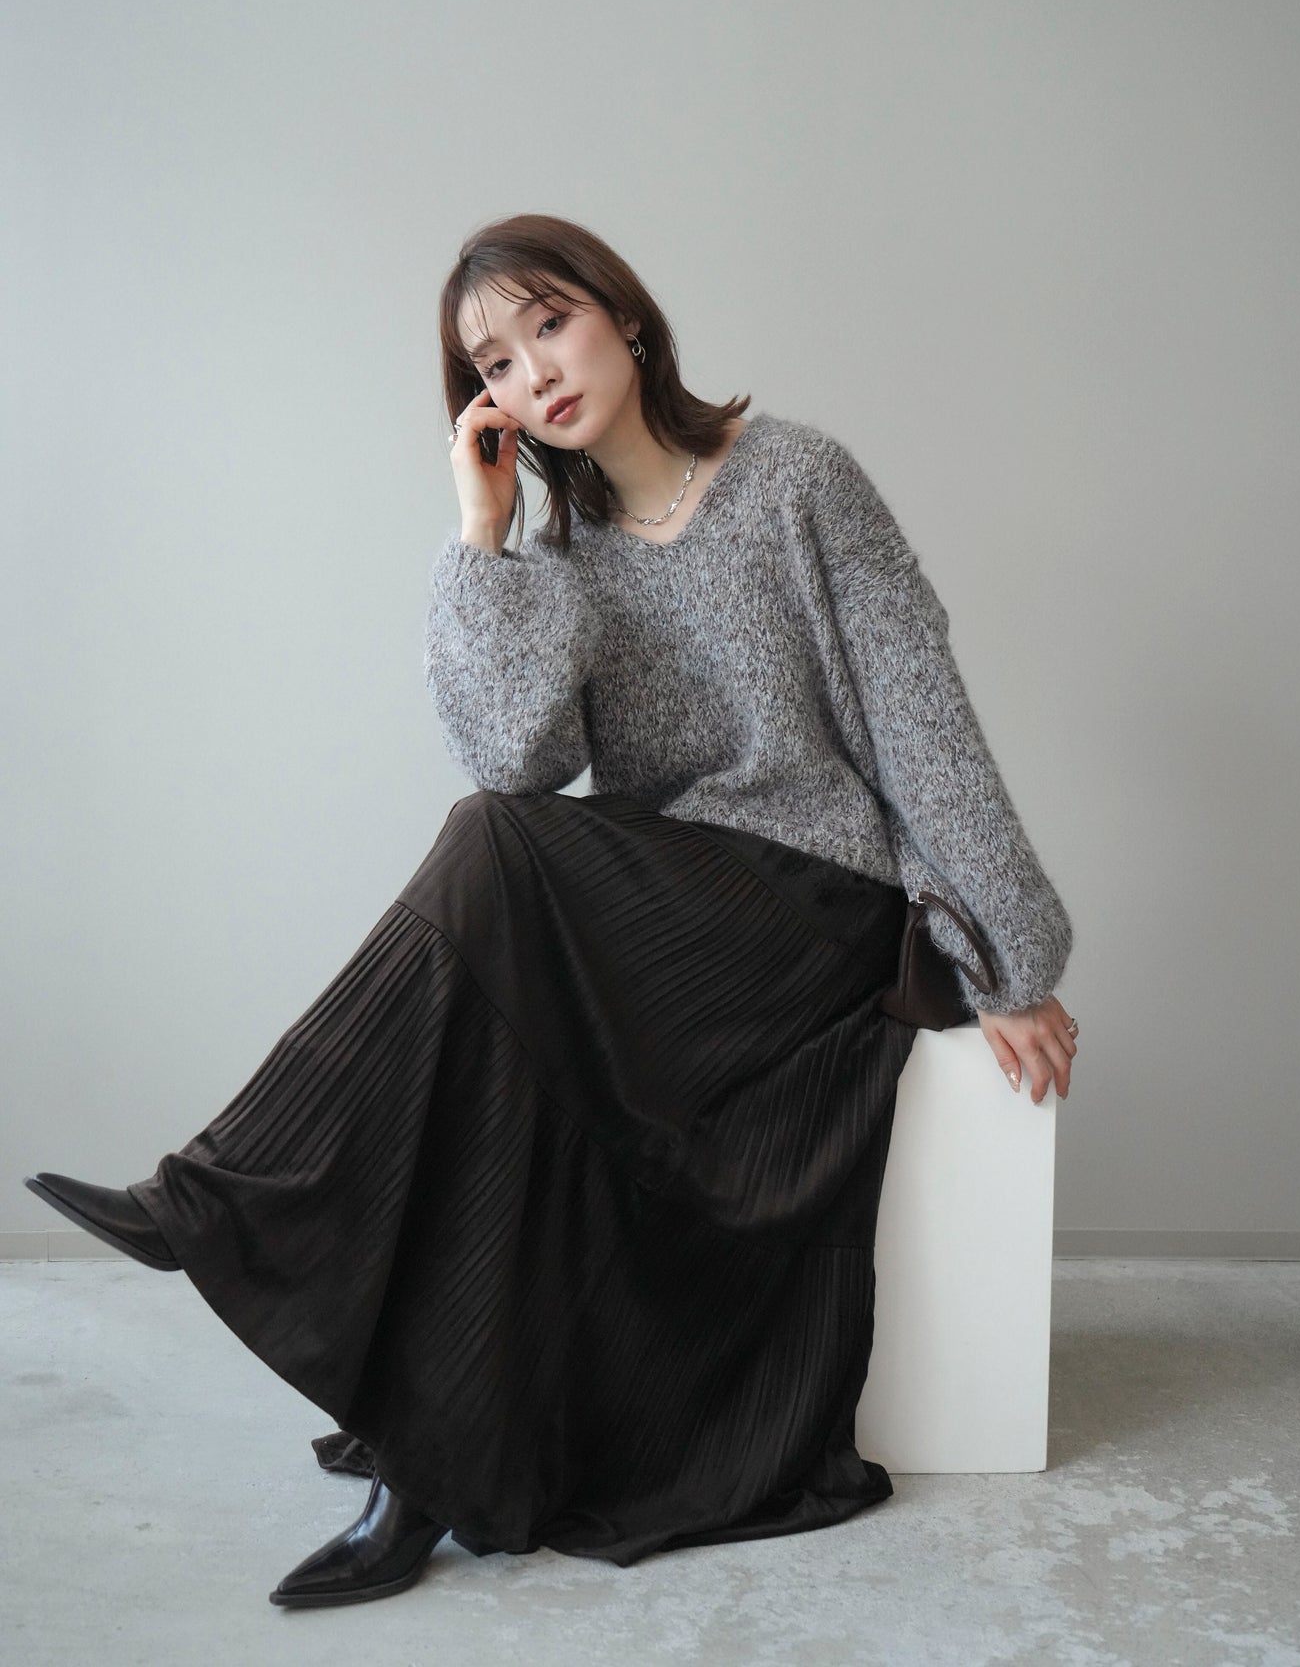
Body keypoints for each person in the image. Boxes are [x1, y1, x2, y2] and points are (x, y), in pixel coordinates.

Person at [25, 211, 1077, 1610]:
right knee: (494, 1013)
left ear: (623, 318)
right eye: (495, 364)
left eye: (550, 324)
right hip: (663, 912)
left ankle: (223, 1202)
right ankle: (423, 1466)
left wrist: (1009, 958)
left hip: (811, 908)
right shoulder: (563, 558)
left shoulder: (797, 478)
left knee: (492, 861)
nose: (535, 372)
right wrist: (485, 539)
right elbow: (512, 761)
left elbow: (918, 717)